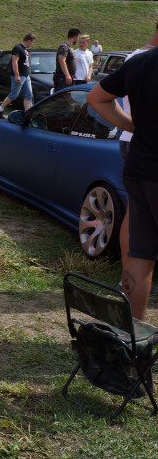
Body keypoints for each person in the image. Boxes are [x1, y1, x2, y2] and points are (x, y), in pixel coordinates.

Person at [86, 29, 158, 321]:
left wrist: (135, 127)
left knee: (139, 258)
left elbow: (97, 98)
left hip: (140, 169)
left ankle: (134, 339)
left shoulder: (140, 62)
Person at [0, 33, 36, 118]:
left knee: (28, 95)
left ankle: (27, 114)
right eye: (32, 42)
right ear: (29, 41)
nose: (32, 44)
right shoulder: (17, 48)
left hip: (26, 76)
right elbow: (14, 62)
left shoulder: (25, 50)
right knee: (14, 95)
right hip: (19, 76)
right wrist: (17, 75)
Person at [54, 28, 80, 92]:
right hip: (63, 78)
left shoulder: (70, 48)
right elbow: (62, 60)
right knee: (62, 97)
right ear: (75, 37)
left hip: (70, 77)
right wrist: (67, 75)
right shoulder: (64, 46)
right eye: (78, 38)